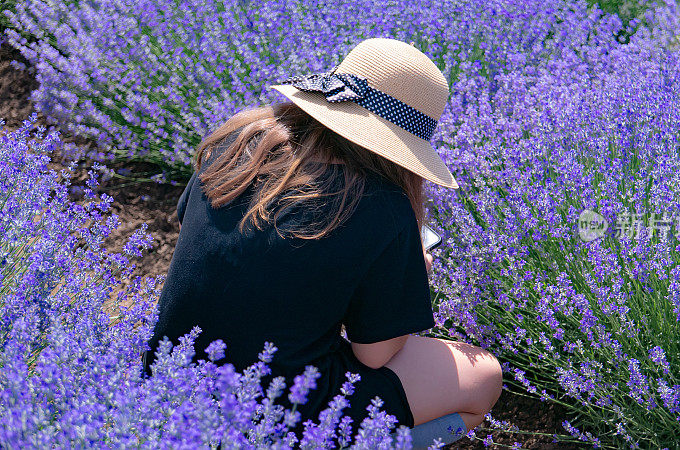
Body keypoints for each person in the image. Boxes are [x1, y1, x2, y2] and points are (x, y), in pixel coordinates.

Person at [142, 37, 502, 448]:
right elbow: (374, 356)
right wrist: (411, 274)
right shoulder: (381, 206)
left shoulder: (237, 141)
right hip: (278, 408)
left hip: (169, 376)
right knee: (483, 376)